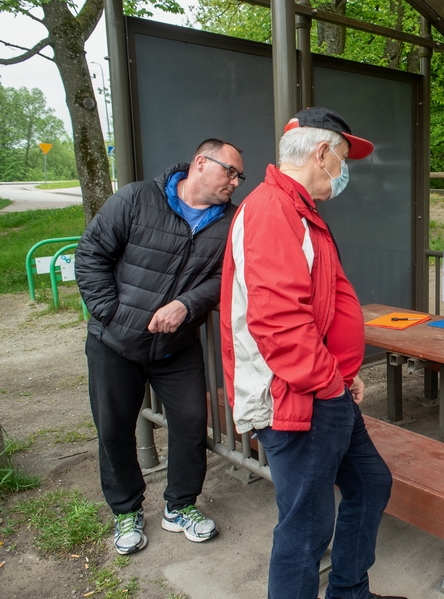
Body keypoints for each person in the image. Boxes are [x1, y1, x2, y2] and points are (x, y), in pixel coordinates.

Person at [219, 107, 403, 599]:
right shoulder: (272, 210)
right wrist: (330, 384)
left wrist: (344, 373)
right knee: (307, 527)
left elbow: (318, 307)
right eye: (343, 159)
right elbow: (280, 324)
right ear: (322, 154)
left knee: (369, 484)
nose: (345, 172)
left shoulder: (298, 209)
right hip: (299, 399)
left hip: (323, 389)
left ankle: (349, 592)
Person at [76, 138, 244, 555]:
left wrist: (185, 305)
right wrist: (112, 314)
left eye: (239, 176)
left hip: (175, 346)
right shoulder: (136, 199)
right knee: (114, 430)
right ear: (201, 163)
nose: (236, 183)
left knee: (190, 422)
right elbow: (91, 254)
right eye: (231, 172)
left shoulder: (232, 222)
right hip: (112, 343)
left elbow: (225, 277)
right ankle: (126, 511)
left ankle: (180, 506)